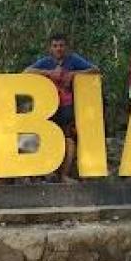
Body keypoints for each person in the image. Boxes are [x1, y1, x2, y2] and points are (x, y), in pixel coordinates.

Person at [25, 33, 99, 181]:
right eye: (55, 46)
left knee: (69, 139)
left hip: (67, 107)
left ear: (66, 47)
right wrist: (49, 73)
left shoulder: (73, 59)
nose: (58, 48)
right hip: (47, 109)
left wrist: (73, 74)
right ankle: (37, 172)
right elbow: (26, 71)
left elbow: (95, 70)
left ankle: (64, 174)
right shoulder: (46, 61)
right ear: (50, 48)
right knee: (36, 136)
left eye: (61, 45)